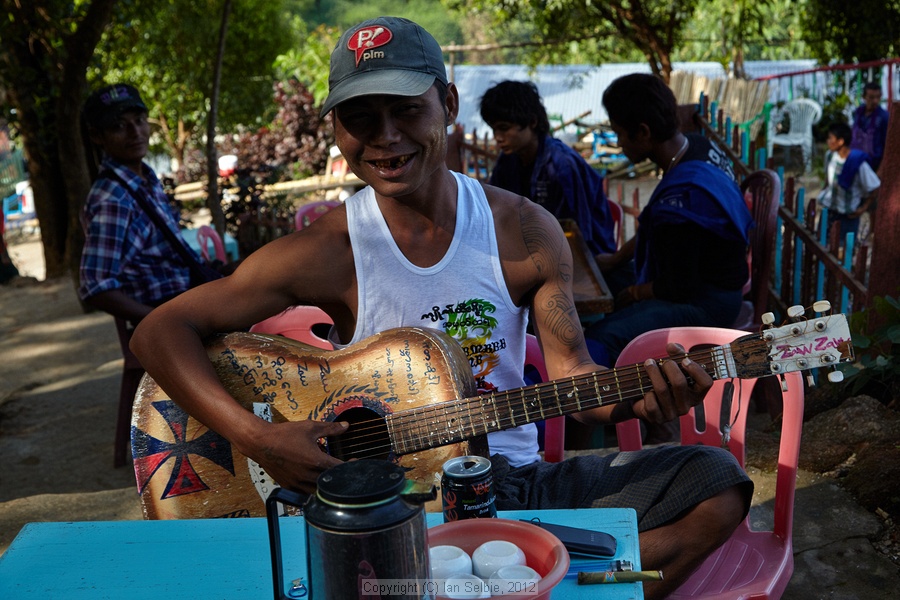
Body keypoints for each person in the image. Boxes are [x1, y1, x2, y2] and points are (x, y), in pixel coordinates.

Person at [131, 18, 751, 599]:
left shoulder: (525, 232)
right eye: (359, 118)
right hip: (380, 503)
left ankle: (525, 578)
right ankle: (523, 574)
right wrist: (259, 438)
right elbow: (159, 332)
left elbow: (571, 372)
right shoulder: (330, 249)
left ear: (448, 105)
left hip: (509, 481)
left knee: (716, 487)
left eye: (405, 109)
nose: (385, 136)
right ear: (337, 129)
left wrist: (644, 395)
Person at [586, 73, 754, 371]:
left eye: (620, 134)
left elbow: (678, 286)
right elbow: (656, 226)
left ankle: (601, 411)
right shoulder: (697, 146)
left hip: (707, 302)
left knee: (602, 336)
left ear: (643, 132)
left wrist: (636, 293)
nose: (619, 143)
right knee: (606, 280)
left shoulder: (683, 198)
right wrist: (614, 260)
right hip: (694, 280)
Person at [79, 83, 209, 325]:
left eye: (139, 121)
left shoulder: (145, 180)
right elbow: (95, 286)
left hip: (188, 294)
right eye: (118, 126)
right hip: (170, 309)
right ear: (97, 136)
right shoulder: (113, 199)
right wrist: (161, 322)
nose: (135, 132)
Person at [479, 80, 616, 256]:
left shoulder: (561, 165)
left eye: (504, 129)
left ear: (532, 122)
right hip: (535, 252)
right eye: (494, 130)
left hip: (584, 258)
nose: (497, 137)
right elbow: (496, 212)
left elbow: (574, 233)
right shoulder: (507, 161)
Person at [819, 121, 880, 240]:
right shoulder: (830, 156)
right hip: (830, 209)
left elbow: (875, 186)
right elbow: (828, 179)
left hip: (848, 215)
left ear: (840, 141)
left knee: (844, 251)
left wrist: (863, 208)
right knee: (822, 244)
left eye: (830, 138)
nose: (828, 141)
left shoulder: (859, 164)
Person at [850, 81, 889, 172]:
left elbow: (887, 145)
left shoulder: (884, 117)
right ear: (864, 97)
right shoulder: (857, 113)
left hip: (874, 164)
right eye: (871, 97)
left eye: (878, 97)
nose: (875, 101)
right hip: (856, 161)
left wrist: (880, 170)